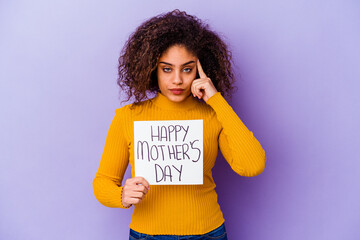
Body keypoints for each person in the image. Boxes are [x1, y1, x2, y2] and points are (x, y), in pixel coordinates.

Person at [93, 9, 266, 240]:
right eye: (167, 69)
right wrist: (121, 195)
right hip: (147, 235)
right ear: (151, 68)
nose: (177, 79)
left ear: (200, 69)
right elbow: (103, 181)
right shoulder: (128, 117)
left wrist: (216, 99)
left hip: (208, 233)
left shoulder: (213, 115)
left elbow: (252, 165)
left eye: (187, 69)